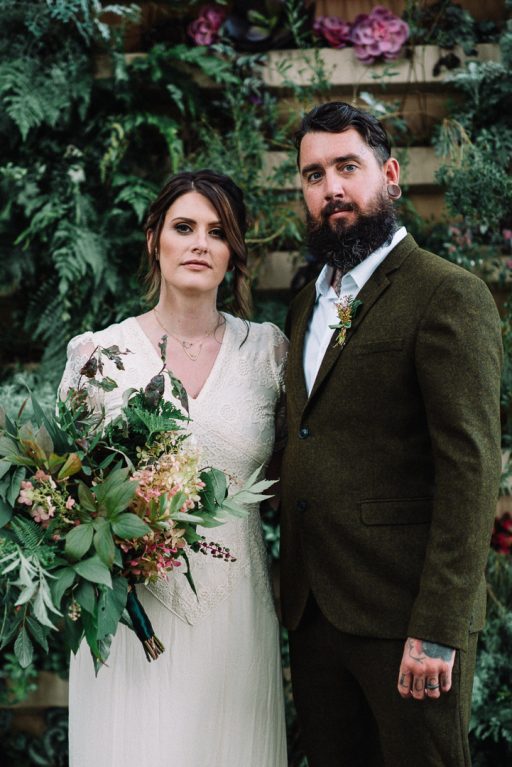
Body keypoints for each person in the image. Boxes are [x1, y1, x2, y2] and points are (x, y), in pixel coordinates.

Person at [279, 101, 503, 767]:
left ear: (391, 173)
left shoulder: (446, 294)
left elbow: (471, 470)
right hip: (314, 614)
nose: (333, 188)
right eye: (314, 175)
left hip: (406, 619)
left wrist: (437, 627)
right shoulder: (304, 303)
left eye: (348, 166)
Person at [59, 170, 288, 767]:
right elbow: (62, 493)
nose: (199, 244)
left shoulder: (268, 353)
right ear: (154, 238)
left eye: (217, 232)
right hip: (131, 615)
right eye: (183, 227)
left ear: (234, 253)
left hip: (237, 614)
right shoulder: (97, 355)